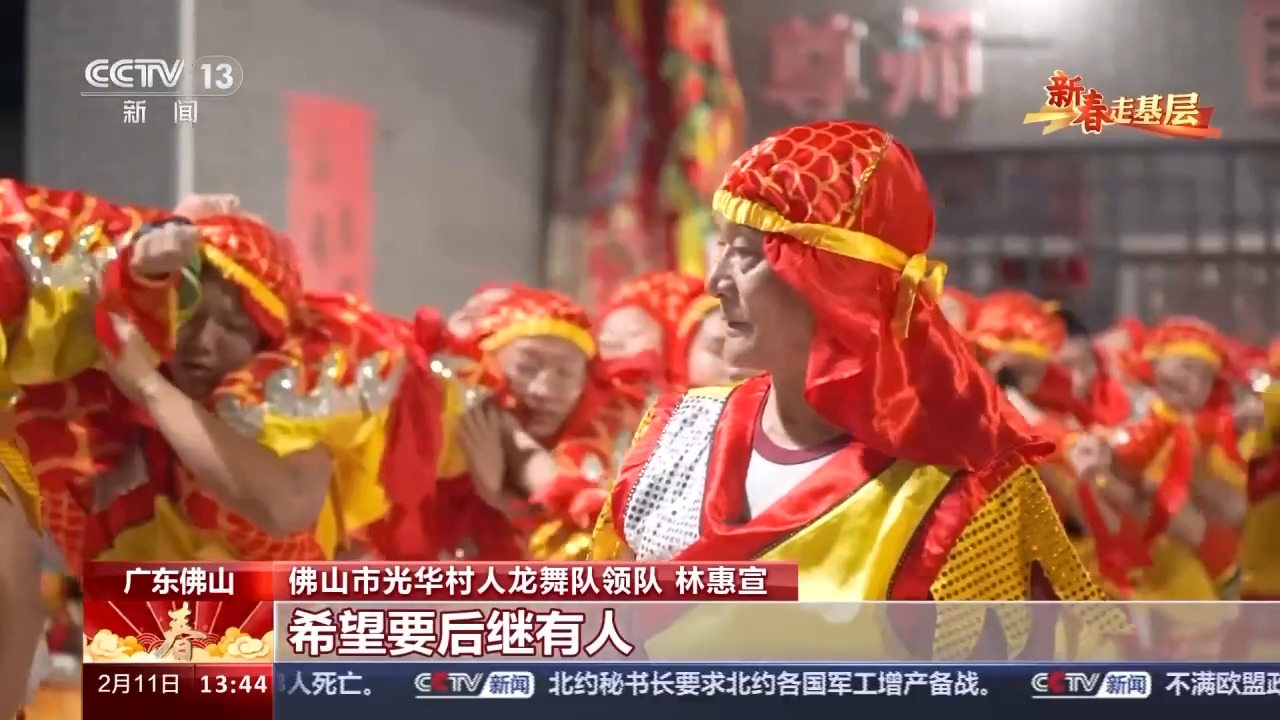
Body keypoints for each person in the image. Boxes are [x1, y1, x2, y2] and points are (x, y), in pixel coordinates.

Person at [591, 120, 1124, 659]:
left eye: (748, 254)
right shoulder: (677, 430)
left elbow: (1002, 684)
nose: (715, 282)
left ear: (835, 279)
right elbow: (605, 642)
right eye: (721, 247)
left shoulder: (960, 488)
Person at [15, 198, 441, 570]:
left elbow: (284, 507)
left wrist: (148, 386)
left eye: (234, 325)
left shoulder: (286, 410)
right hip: (145, 628)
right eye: (188, 316)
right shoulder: (101, 406)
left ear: (267, 341)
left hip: (266, 631)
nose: (203, 341)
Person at [431, 287, 625, 560]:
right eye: (526, 368)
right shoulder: (444, 428)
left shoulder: (602, 448)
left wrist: (501, 497)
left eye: (565, 374)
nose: (544, 390)